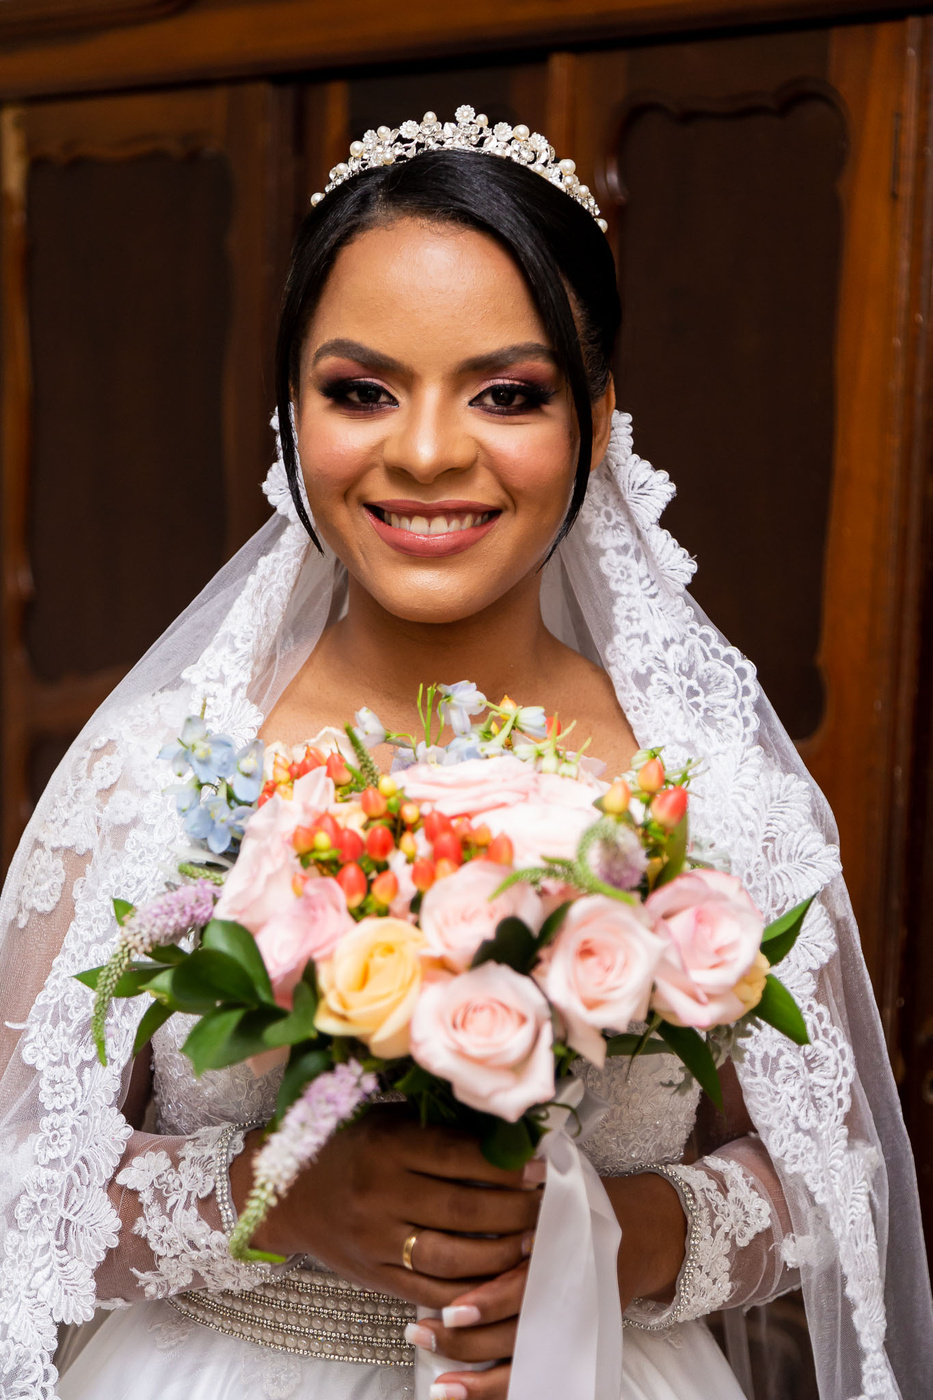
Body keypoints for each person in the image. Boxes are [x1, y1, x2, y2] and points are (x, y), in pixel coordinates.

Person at [0, 107, 929, 1400]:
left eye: (506, 394)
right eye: (359, 390)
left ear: (594, 418)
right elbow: (20, 1180)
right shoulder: (158, 780)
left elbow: (835, 1180)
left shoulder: (706, 787)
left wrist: (625, 1239)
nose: (428, 451)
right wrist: (279, 1195)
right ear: (291, 414)